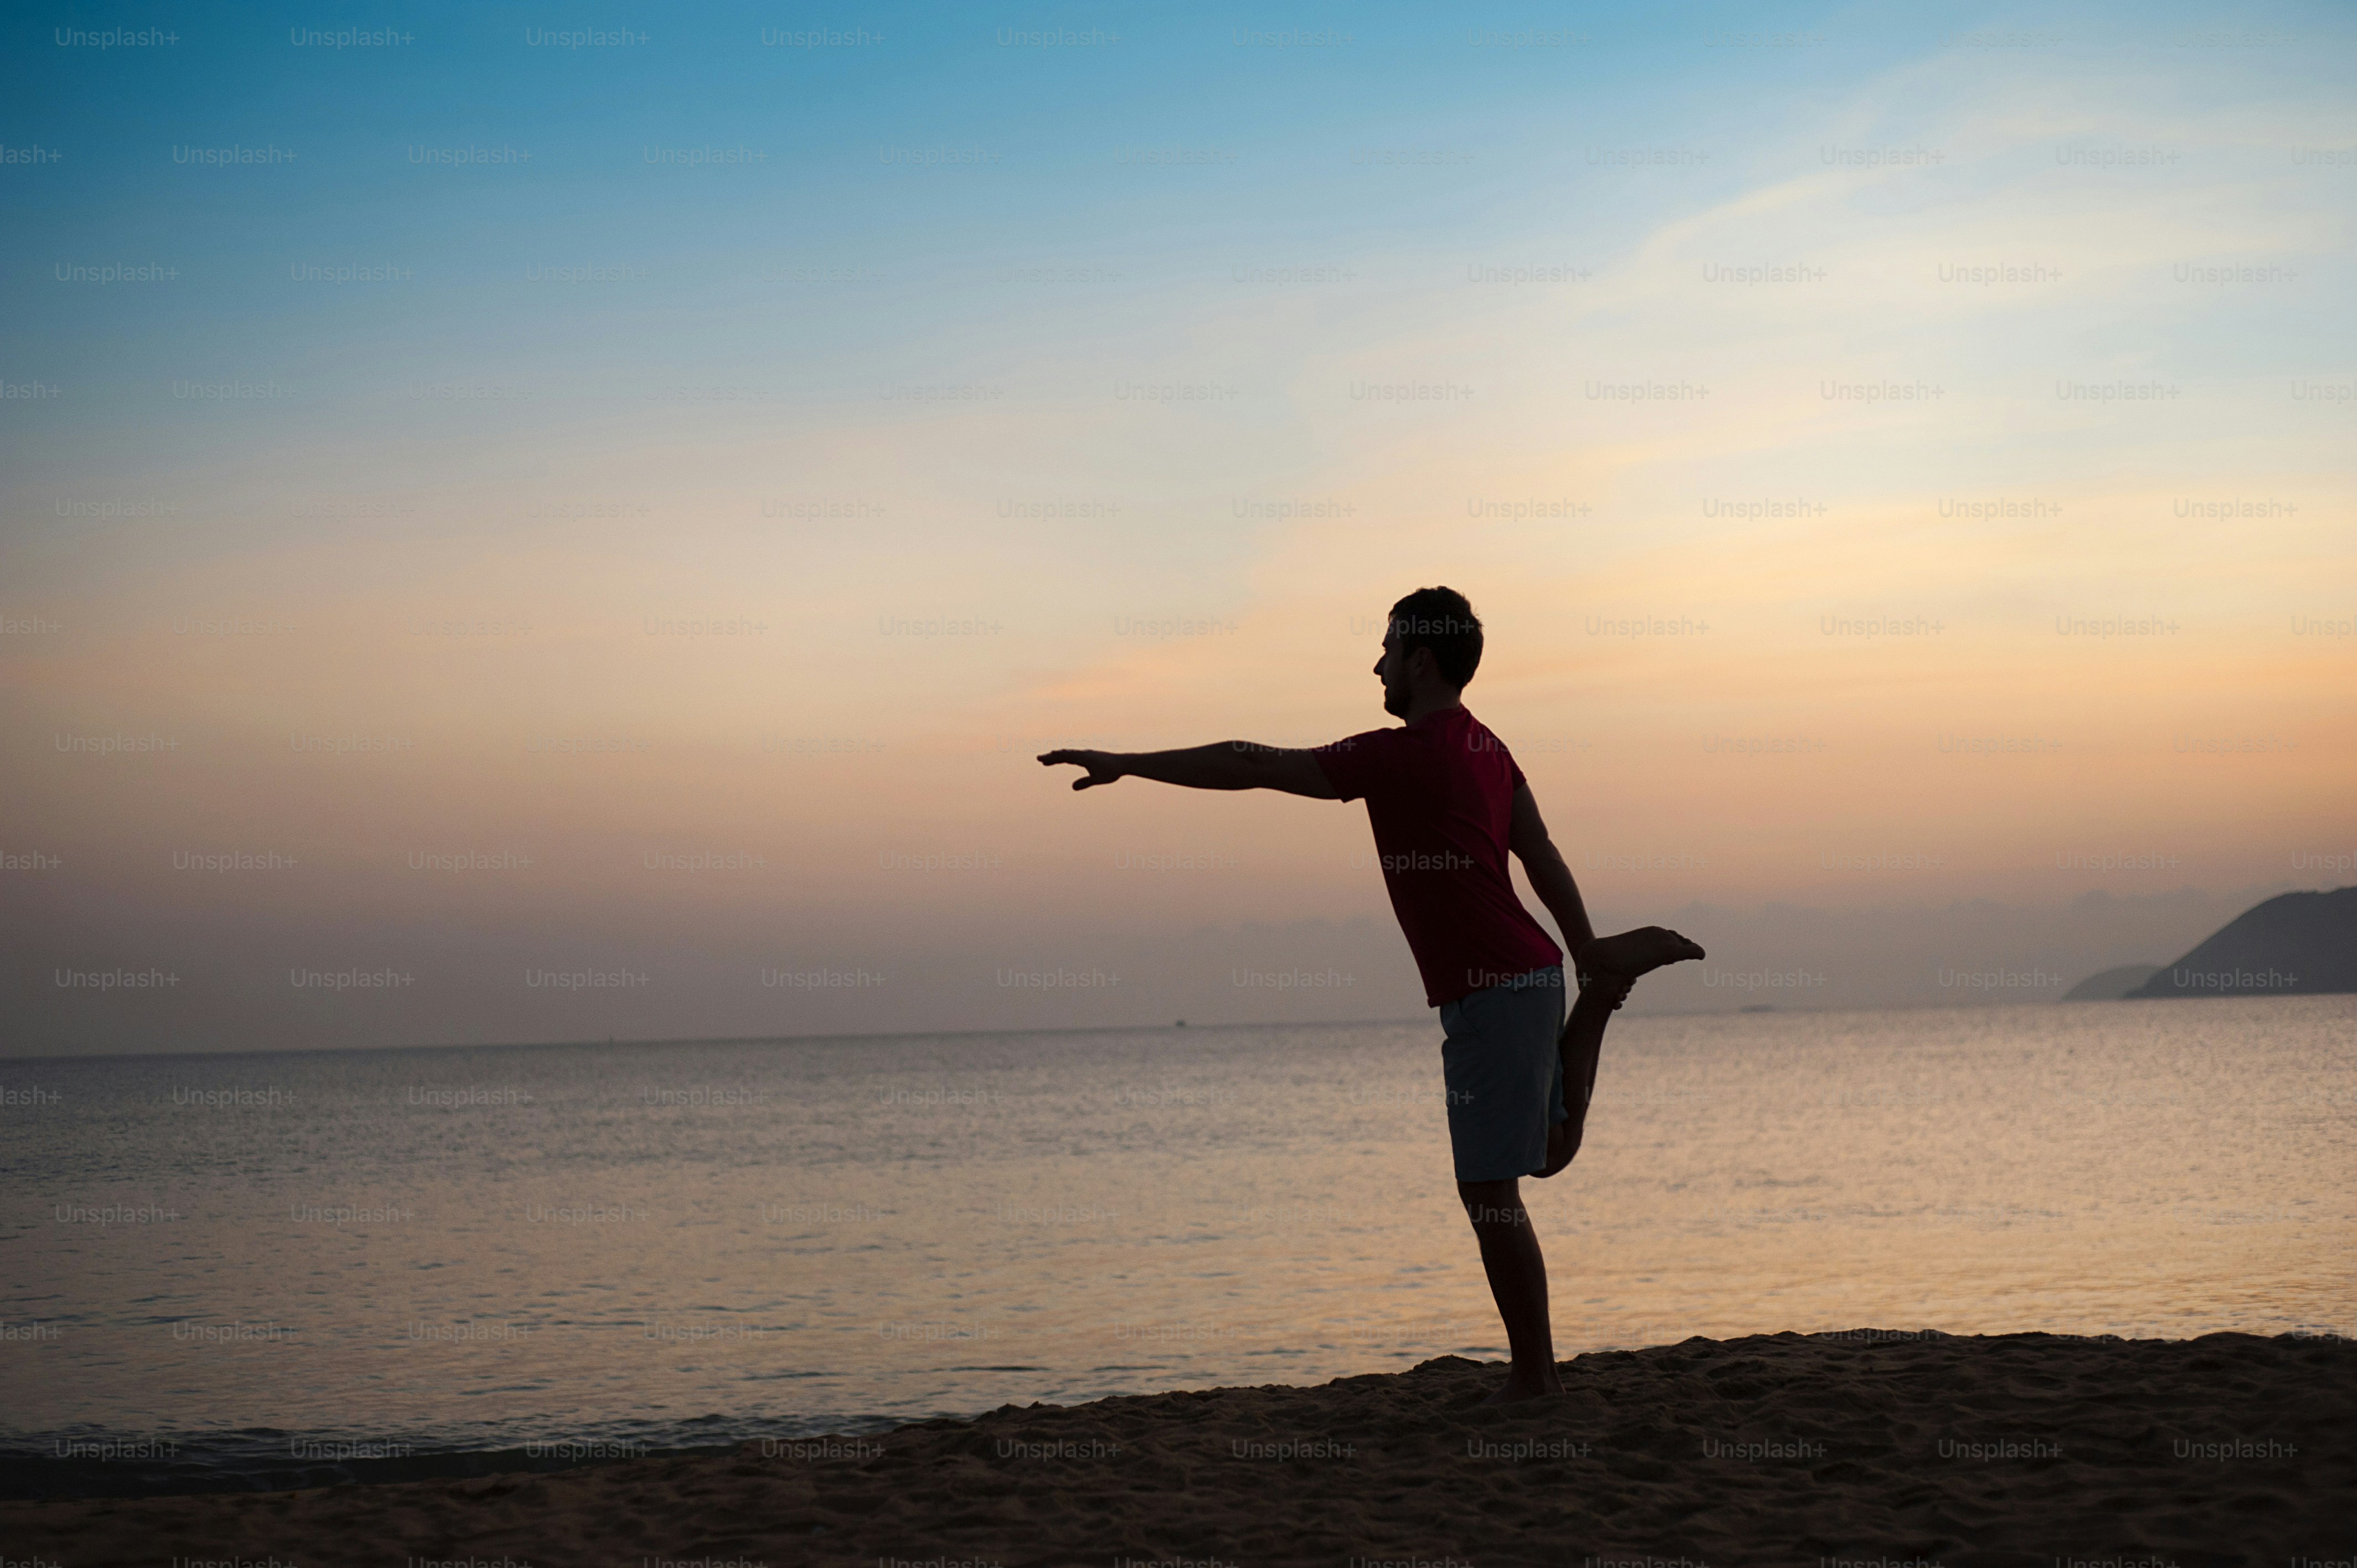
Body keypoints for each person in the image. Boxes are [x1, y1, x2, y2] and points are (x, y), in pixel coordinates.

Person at [1039, 585, 1704, 1404]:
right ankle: (1600, 994)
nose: (1377, 664)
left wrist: (1130, 764)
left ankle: (1536, 1383)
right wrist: (1586, 949)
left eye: (1387, 648)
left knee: (1492, 1192)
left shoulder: (1399, 755)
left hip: (1499, 986)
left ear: (1421, 661)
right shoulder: (1488, 746)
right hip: (1525, 975)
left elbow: (1253, 765)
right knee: (1544, 1156)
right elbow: (1539, 850)